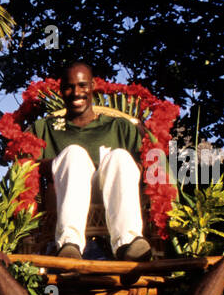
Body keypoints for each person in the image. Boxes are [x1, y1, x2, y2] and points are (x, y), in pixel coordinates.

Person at [33, 61, 151, 261]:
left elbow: (145, 166)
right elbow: (27, 167)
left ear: (93, 86)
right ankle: (70, 244)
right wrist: (62, 162)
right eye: (69, 87)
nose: (76, 92)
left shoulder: (119, 126)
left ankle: (128, 243)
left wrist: (108, 165)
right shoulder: (46, 127)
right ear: (61, 91)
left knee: (120, 157)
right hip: (68, 192)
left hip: (111, 190)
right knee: (74, 154)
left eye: (82, 85)